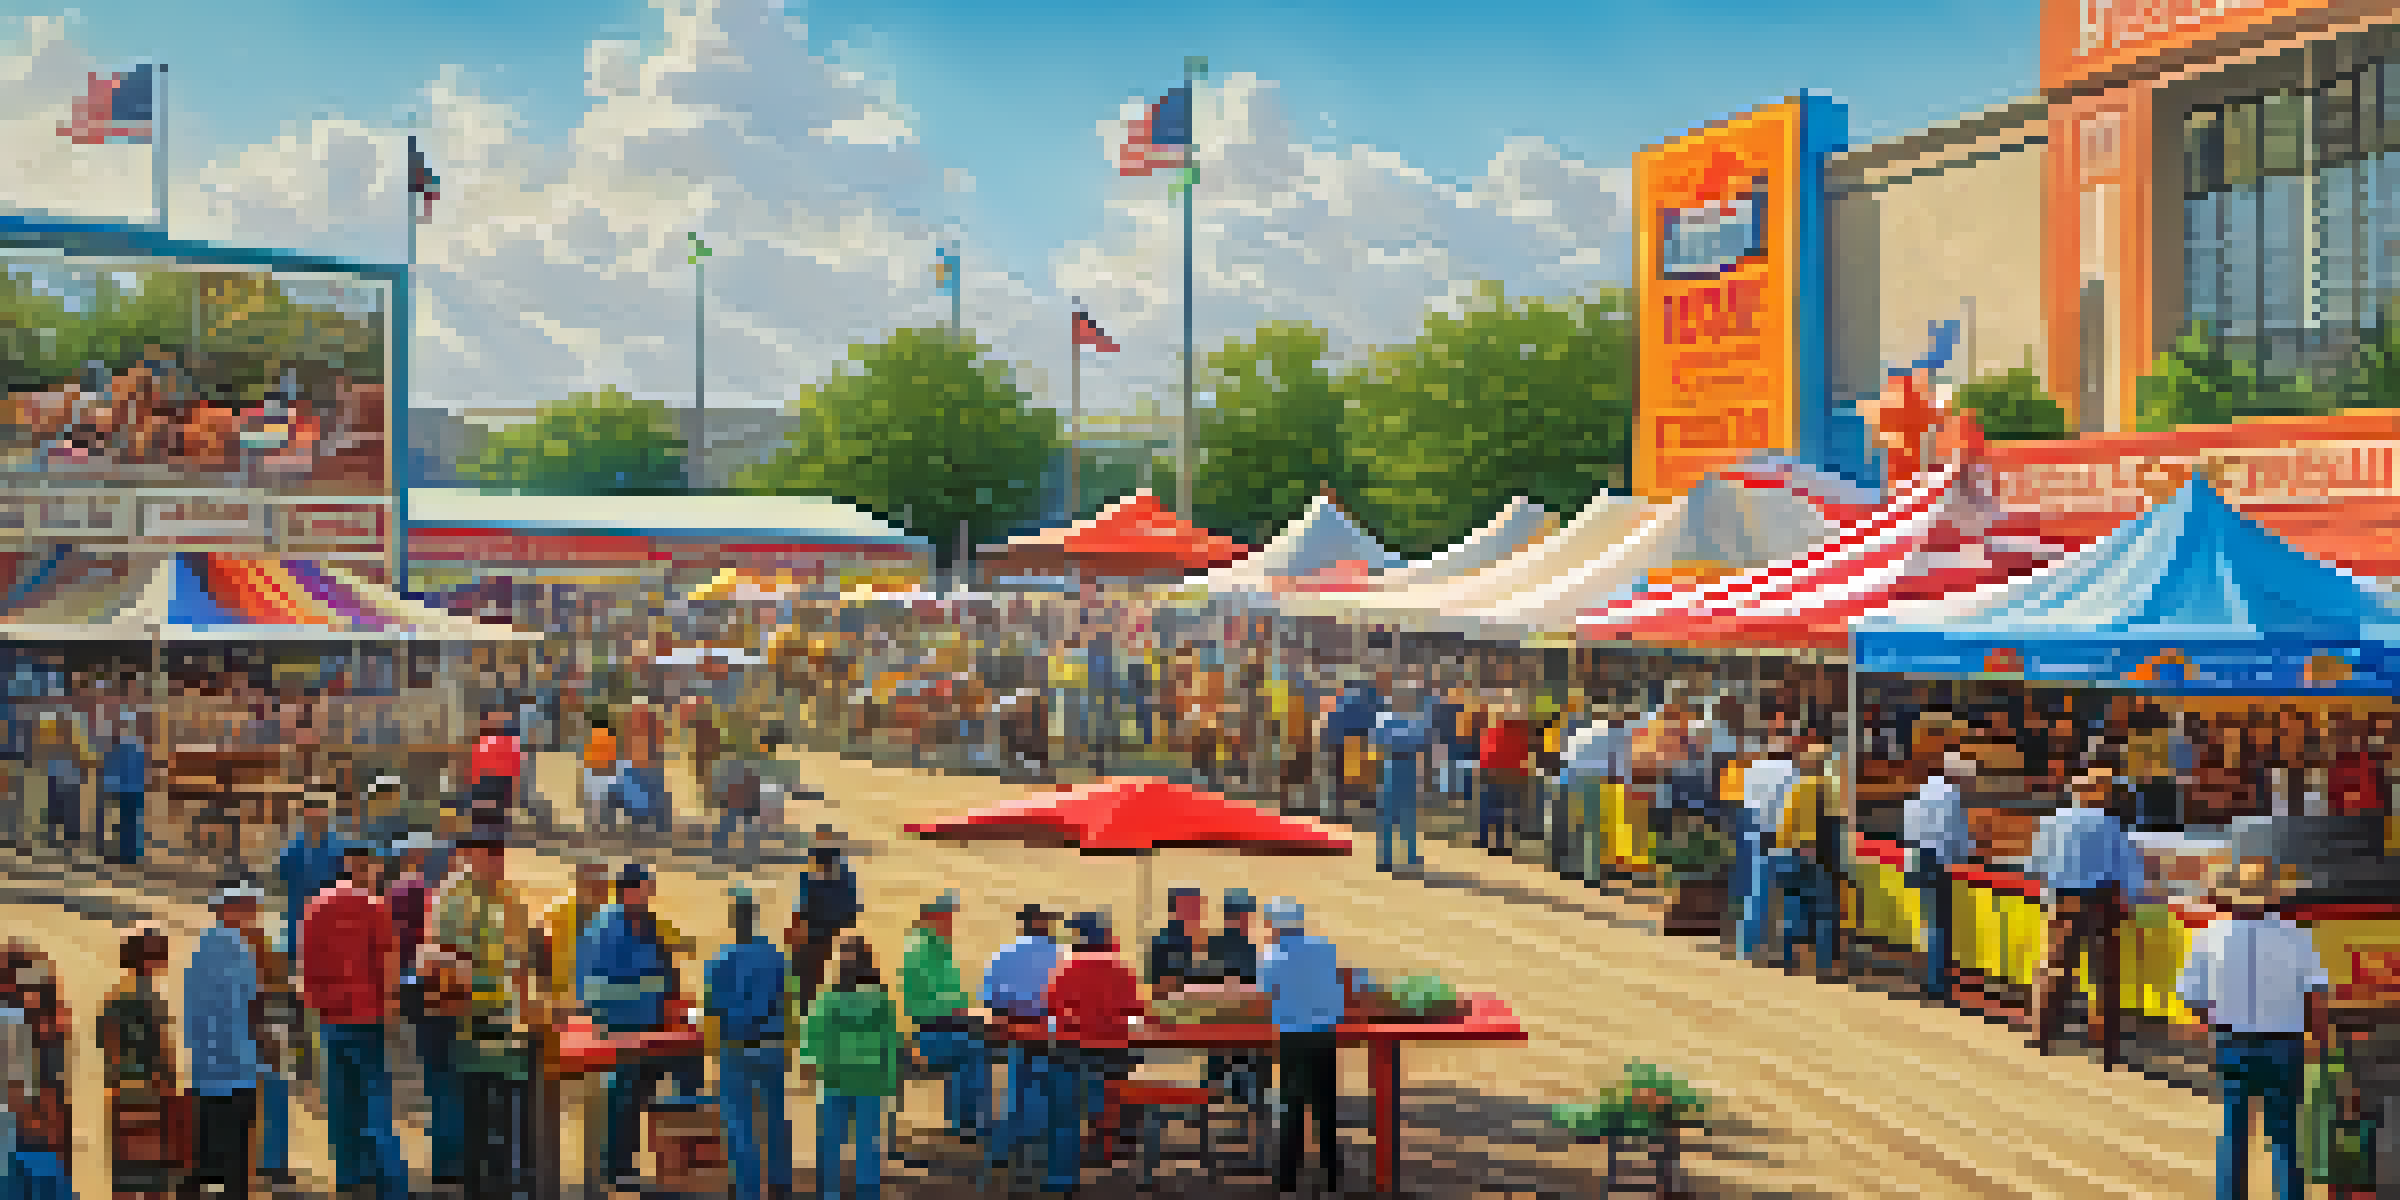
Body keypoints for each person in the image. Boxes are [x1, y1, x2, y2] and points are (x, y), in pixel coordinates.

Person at [2179, 858, 2332, 1200]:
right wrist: (2323, 1045)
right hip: (2284, 1046)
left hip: (2231, 1041)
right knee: (2285, 1135)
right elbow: (2315, 1000)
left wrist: (2213, 1024)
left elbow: (2193, 1000)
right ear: (2273, 897)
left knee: (2233, 1132)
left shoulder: (2207, 938)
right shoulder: (2297, 937)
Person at [423, 830, 539, 1200]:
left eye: (500, 857)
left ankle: (504, 1183)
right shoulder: (451, 898)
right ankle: (476, 1184)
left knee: (505, 1106)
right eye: (490, 857)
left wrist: (525, 1009)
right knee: (474, 1106)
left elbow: (520, 962)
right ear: (472, 856)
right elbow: (438, 958)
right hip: (468, 1019)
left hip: (504, 1020)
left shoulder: (509, 897)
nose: (496, 864)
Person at [579, 862, 703, 1189]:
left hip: (651, 1027)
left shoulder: (644, 922)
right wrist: (653, 992)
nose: (650, 895)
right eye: (646, 889)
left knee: (672, 1079)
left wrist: (672, 1000)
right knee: (623, 1097)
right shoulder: (604, 929)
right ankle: (618, 1168)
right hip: (619, 1029)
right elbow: (592, 990)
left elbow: (665, 966)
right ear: (629, 891)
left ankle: (681, 1163)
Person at [299, 843, 409, 1200]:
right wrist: (390, 1009)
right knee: (376, 1105)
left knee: (342, 1104)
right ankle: (391, 1184)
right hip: (368, 1016)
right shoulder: (376, 909)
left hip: (331, 1017)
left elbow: (307, 967)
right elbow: (387, 966)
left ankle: (349, 1178)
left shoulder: (315, 908)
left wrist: (317, 1007)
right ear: (370, 868)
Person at [2029, 758, 2150, 1070]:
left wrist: (2048, 897)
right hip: (2100, 903)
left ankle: (2043, 1036)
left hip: (2062, 901)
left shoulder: (2051, 821)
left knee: (2055, 968)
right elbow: (2129, 873)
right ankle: (2106, 1048)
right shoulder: (2112, 826)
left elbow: (2035, 866)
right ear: (2098, 793)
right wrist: (2133, 905)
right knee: (2104, 978)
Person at [704, 885, 795, 1200]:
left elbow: (712, 1007)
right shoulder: (775, 956)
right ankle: (781, 1181)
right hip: (772, 1043)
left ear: (734, 920)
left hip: (736, 1046)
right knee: (775, 1113)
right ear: (755, 918)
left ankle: (748, 1187)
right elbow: (787, 1000)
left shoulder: (720, 959)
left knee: (739, 1119)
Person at [384, 829, 463, 1176]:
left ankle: (442, 1156)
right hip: (436, 985)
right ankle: (449, 1159)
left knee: (431, 1073)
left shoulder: (390, 896)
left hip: (408, 987)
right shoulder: (433, 896)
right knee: (448, 1073)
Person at [185, 879, 270, 1200]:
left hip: (207, 1071)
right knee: (235, 1160)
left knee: (211, 1158)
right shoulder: (235, 951)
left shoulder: (205, 946)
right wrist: (260, 1055)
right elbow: (245, 1011)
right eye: (249, 907)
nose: (255, 914)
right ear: (229, 910)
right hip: (235, 1069)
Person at [1044, 911, 1143, 1170]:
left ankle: (1068, 1162)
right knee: (1113, 1087)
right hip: (1114, 1054)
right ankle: (1108, 1144)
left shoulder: (1067, 970)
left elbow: (1052, 1010)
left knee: (1069, 1097)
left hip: (1075, 1053)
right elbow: (1135, 1015)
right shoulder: (1123, 971)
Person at [805, 937, 902, 1200]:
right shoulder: (881, 1000)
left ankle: (829, 1192)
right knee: (867, 1143)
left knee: (830, 1142)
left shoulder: (828, 999)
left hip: (835, 1078)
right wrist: (891, 1081)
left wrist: (812, 1067)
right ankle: (867, 1192)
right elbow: (891, 1043)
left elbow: (813, 1040)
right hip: (871, 1079)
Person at [1259, 897, 1344, 1196]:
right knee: (1326, 1111)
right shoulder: (1325, 949)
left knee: (1292, 1111)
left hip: (1294, 1038)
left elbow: (1263, 994)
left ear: (1275, 925)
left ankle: (1288, 1185)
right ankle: (1333, 1183)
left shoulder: (1272, 956)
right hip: (1325, 1036)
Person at [980, 904, 1065, 1181]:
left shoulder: (1002, 954)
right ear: (1043, 924)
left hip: (1013, 1031)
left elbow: (989, 999)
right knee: (1051, 1089)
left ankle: (1004, 1150)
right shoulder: (1060, 955)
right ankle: (1041, 1148)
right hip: (1049, 1033)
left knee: (1017, 1090)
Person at [901, 890, 988, 1144]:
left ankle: (963, 1122)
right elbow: (932, 1001)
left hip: (944, 1026)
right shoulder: (921, 950)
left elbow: (951, 995)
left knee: (974, 1045)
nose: (952, 923)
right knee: (974, 1051)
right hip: (931, 1030)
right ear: (932, 918)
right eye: (947, 917)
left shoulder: (937, 948)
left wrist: (968, 1010)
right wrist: (964, 1011)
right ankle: (968, 1124)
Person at [99, 924, 179, 1200]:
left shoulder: (117, 992)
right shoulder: (146, 995)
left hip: (121, 1089)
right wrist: (168, 1085)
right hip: (147, 1092)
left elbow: (105, 1040)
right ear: (148, 958)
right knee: (153, 1173)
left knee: (125, 1171)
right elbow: (157, 1049)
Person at [1900, 725, 1975, 1006]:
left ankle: (1931, 979)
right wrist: (1969, 854)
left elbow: (1909, 825)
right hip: (1937, 860)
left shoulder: (1923, 789)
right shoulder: (1952, 796)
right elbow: (1957, 833)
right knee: (1940, 925)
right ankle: (1937, 985)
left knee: (1929, 922)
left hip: (1918, 856)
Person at [1203, 889, 1267, 1135]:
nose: (1246, 919)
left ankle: (1225, 1109)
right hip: (1234, 1026)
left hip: (1222, 1025)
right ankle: (1249, 1118)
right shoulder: (1241, 947)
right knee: (1251, 1059)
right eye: (1243, 914)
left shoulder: (1219, 945)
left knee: (1231, 1062)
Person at [1734, 736, 1799, 961]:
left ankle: (1747, 947)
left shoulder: (1753, 768)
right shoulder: (1791, 771)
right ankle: (1786, 952)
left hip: (1753, 829)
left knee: (1755, 893)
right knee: (1789, 896)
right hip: (1780, 835)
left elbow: (1746, 801)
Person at [786, 828, 863, 1014]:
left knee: (806, 977)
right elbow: (850, 913)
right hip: (825, 933)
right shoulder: (841, 875)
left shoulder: (816, 878)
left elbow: (802, 910)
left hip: (820, 934)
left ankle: (806, 1009)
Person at [1371, 685, 1435, 873]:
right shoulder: (1404, 720)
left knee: (1402, 815)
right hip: (1398, 765)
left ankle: (1401, 856)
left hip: (1400, 766)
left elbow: (1419, 740)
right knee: (1395, 815)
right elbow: (1418, 740)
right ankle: (1393, 857)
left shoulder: (1395, 720)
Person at [1476, 702, 1533, 855]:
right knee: (1506, 810)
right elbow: (1523, 754)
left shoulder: (1496, 730)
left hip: (1496, 773)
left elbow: (1487, 751)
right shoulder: (1519, 731)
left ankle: (1488, 841)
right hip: (1510, 774)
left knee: (1493, 809)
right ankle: (1498, 843)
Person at [102, 709, 146, 866]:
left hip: (127, 789)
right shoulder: (134, 746)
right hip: (131, 789)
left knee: (128, 822)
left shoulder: (124, 746)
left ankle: (129, 855)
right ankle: (130, 854)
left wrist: (109, 785)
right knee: (129, 822)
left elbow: (117, 768)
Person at [1145, 887, 1207, 999]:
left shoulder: (1202, 940)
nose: (1196, 914)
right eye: (1190, 908)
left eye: (1197, 908)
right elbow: (1159, 987)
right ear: (1174, 911)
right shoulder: (1164, 943)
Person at [582, 716, 620, 832]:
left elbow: (588, 757)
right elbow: (613, 756)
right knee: (607, 802)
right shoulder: (610, 738)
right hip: (606, 773)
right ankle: (607, 826)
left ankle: (595, 826)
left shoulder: (591, 737)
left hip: (594, 772)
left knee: (595, 802)